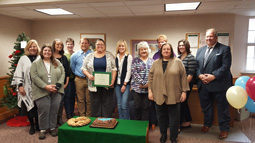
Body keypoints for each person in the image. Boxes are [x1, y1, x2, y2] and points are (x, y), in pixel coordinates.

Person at [148, 43, 189, 143]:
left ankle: (173, 137)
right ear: (161, 51)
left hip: (174, 94)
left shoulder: (178, 62)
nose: (166, 51)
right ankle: (163, 135)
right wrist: (150, 91)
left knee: (174, 119)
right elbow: (150, 78)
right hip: (158, 95)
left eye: (168, 49)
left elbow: (183, 77)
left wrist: (184, 91)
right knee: (161, 118)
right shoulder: (155, 63)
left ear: (171, 51)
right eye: (164, 49)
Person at [196, 28, 232, 139]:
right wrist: (200, 75)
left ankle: (224, 129)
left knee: (222, 108)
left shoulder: (224, 49)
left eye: (211, 36)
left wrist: (213, 76)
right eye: (207, 36)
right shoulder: (200, 50)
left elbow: (225, 66)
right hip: (203, 84)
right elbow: (196, 66)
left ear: (216, 37)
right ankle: (207, 124)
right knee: (206, 107)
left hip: (219, 84)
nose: (208, 38)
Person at [31, 44, 65, 140]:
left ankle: (53, 127)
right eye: (45, 50)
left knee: (54, 109)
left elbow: (63, 73)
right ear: (42, 52)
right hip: (41, 90)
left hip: (56, 90)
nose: (47, 52)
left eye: (49, 50)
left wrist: (58, 85)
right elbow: (34, 77)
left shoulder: (57, 62)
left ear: (52, 52)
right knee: (44, 110)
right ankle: (43, 130)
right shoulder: (36, 63)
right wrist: (46, 86)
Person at [11, 40, 40, 135]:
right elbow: (19, 72)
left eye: (34, 46)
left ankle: (38, 125)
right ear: (27, 48)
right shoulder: (23, 58)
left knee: (39, 107)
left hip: (39, 88)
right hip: (27, 87)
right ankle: (32, 125)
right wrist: (20, 86)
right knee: (30, 108)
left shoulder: (40, 58)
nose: (33, 48)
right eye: (31, 46)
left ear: (37, 47)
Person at [82, 39, 117, 118]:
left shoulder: (110, 55)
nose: (100, 46)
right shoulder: (89, 56)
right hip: (94, 85)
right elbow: (84, 68)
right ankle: (96, 122)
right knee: (95, 104)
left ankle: (106, 121)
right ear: (95, 46)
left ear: (104, 46)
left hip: (107, 85)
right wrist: (89, 75)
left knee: (107, 104)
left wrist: (113, 80)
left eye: (102, 44)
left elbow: (114, 68)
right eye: (98, 44)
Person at [131, 41, 154, 121]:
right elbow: (134, 73)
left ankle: (145, 125)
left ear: (148, 50)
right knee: (137, 106)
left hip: (148, 89)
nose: (144, 51)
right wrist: (143, 83)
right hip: (137, 88)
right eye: (142, 49)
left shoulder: (152, 61)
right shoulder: (135, 60)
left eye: (145, 49)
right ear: (139, 51)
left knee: (146, 107)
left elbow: (153, 74)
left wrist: (147, 85)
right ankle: (138, 123)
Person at [70, 38, 92, 117]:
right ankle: (82, 116)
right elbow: (72, 68)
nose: (84, 45)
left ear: (88, 44)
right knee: (80, 99)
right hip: (79, 79)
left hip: (90, 80)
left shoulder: (92, 54)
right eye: (82, 43)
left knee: (89, 100)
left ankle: (89, 116)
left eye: (86, 43)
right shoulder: (74, 55)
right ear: (80, 43)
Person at [177, 40, 196, 129]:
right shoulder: (178, 57)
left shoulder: (190, 58)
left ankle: (186, 122)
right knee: (182, 103)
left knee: (182, 102)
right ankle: (185, 121)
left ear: (187, 47)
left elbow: (191, 74)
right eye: (180, 45)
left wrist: (183, 86)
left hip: (187, 84)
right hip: (178, 85)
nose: (181, 47)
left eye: (183, 45)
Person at [52, 39, 70, 125]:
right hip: (51, 83)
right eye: (58, 44)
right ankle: (53, 120)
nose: (60, 46)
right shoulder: (49, 56)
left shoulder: (64, 57)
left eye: (61, 45)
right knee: (52, 102)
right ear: (54, 45)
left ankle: (59, 119)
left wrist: (66, 83)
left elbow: (67, 72)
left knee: (60, 102)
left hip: (62, 84)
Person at [114, 40, 132, 119]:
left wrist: (124, 84)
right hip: (116, 84)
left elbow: (129, 71)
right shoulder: (115, 57)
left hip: (125, 84)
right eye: (120, 46)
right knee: (119, 104)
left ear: (125, 47)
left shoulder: (128, 56)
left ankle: (127, 122)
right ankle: (121, 121)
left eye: (123, 46)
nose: (121, 47)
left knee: (124, 104)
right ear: (118, 47)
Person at [64, 38, 76, 119]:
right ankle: (68, 112)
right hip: (67, 79)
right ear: (66, 45)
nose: (70, 46)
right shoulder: (64, 55)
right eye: (68, 44)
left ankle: (72, 111)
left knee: (73, 96)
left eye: (71, 44)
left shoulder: (76, 54)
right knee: (67, 96)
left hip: (75, 78)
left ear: (73, 45)